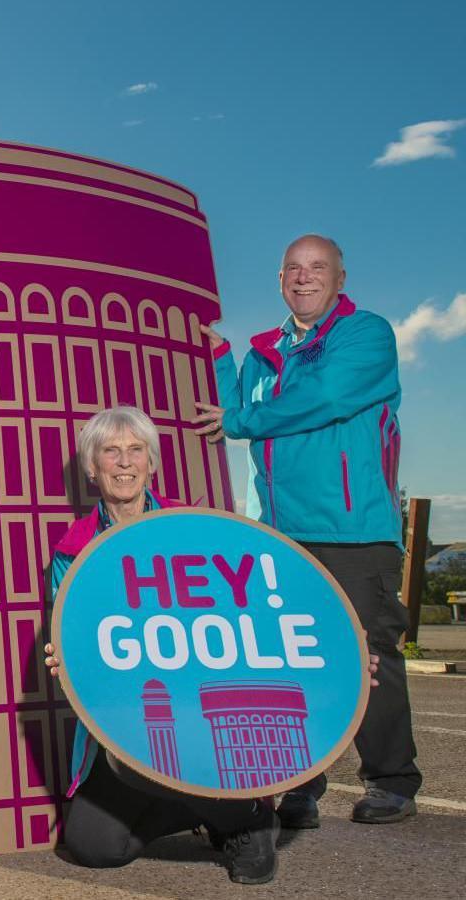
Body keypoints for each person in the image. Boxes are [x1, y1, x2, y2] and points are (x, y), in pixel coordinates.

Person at [196, 234, 419, 828]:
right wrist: (219, 358)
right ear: (279, 280)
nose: (304, 277)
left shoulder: (365, 334)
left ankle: (391, 780)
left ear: (340, 279)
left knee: (368, 653)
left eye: (317, 268)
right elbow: (226, 416)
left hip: (353, 531)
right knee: (292, 661)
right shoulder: (262, 352)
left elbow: (324, 397)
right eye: (293, 269)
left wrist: (246, 417)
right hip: (280, 532)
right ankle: (301, 785)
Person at [43, 406, 280, 885]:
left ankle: (246, 818)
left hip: (199, 710)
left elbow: (252, 614)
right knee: (93, 847)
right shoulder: (72, 551)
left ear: (151, 463)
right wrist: (65, 657)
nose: (124, 462)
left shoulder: (191, 530)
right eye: (111, 451)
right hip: (123, 715)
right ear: (92, 467)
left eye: (136, 451)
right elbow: (72, 634)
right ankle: (203, 808)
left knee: (158, 748)